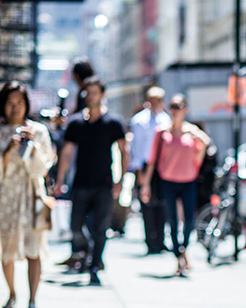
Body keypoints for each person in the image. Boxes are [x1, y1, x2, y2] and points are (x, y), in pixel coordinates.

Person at [54, 77, 128, 286]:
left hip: (104, 183)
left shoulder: (113, 122)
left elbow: (124, 152)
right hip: (80, 183)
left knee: (100, 227)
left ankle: (95, 266)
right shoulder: (76, 122)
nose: (91, 97)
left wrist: (120, 179)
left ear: (102, 95)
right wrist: (60, 179)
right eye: (88, 93)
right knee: (75, 226)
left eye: (95, 93)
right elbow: (67, 152)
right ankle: (87, 250)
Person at [0, 81, 56, 308]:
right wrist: (7, 151)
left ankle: (32, 300)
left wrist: (31, 145)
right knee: (7, 250)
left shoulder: (39, 131)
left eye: (19, 103)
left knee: (35, 248)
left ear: (27, 104)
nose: (15, 108)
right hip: (7, 198)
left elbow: (44, 167)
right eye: (10, 103)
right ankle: (12, 293)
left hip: (33, 196)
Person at [140, 94, 210, 276]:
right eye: (172, 107)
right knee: (171, 221)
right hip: (168, 181)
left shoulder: (191, 131)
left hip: (188, 180)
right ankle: (179, 255)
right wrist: (145, 185)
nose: (175, 110)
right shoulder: (162, 132)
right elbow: (152, 160)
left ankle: (182, 249)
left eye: (178, 107)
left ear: (185, 110)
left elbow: (206, 144)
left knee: (189, 222)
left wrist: (196, 138)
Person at [129, 86, 170, 254]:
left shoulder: (166, 119)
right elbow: (136, 148)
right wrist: (139, 172)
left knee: (162, 203)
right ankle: (150, 240)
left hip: (162, 166)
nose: (155, 104)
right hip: (145, 165)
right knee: (146, 203)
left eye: (158, 100)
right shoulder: (139, 121)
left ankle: (160, 239)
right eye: (152, 100)